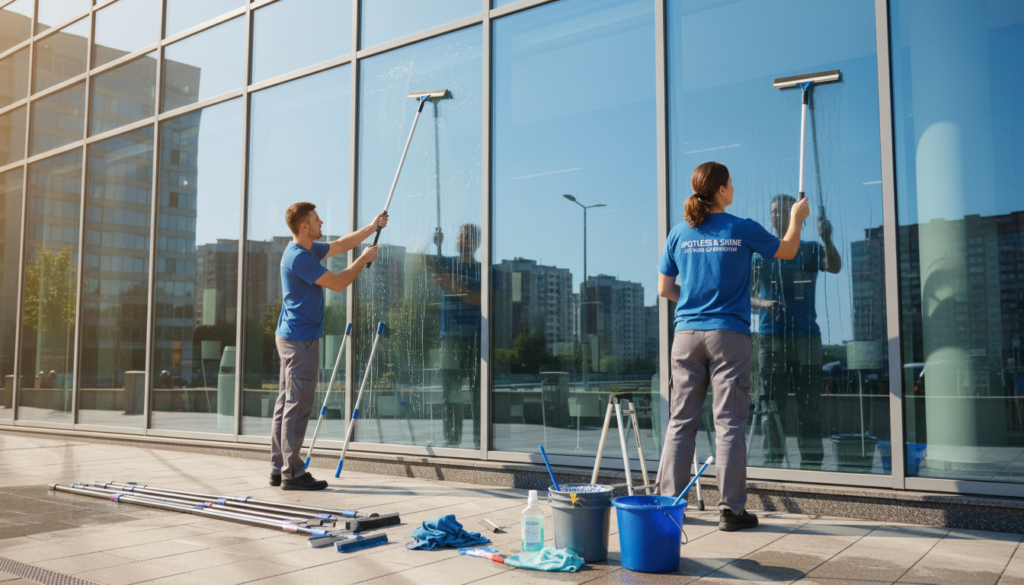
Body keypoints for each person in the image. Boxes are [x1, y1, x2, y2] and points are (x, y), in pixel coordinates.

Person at [657, 162, 808, 531]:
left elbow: (664, 289)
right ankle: (731, 511)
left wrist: (694, 302)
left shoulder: (679, 233)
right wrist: (797, 216)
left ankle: (665, 507)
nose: (733, 188)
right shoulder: (741, 228)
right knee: (728, 424)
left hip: (687, 336)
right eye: (731, 184)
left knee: (680, 422)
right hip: (729, 336)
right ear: (722, 190)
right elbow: (787, 251)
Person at [270, 202, 387, 490]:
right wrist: (362, 260)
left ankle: (279, 466)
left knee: (286, 403)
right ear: (303, 227)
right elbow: (337, 283)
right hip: (300, 340)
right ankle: (292, 473)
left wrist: (372, 227)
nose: (321, 222)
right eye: (316, 219)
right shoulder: (299, 257)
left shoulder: (306, 248)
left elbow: (339, 244)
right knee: (297, 406)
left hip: (291, 336)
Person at [751, 194, 841, 468]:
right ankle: (772, 463)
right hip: (771, 338)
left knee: (809, 408)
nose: (776, 216)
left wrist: (827, 239)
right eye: (773, 211)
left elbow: (834, 266)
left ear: (795, 215)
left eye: (782, 211)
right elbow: (748, 297)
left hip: (806, 338)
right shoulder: (762, 253)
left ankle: (812, 466)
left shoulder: (810, 249)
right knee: (771, 407)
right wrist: (766, 304)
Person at [424, 224, 482, 448]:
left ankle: (481, 442)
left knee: (479, 395)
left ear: (477, 243)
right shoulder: (446, 263)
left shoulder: (485, 270)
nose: (463, 240)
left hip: (476, 338)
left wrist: (454, 284)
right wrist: (436, 243)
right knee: (450, 393)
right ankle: (452, 440)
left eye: (468, 237)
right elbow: (426, 264)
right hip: (449, 338)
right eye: (460, 236)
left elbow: (484, 299)